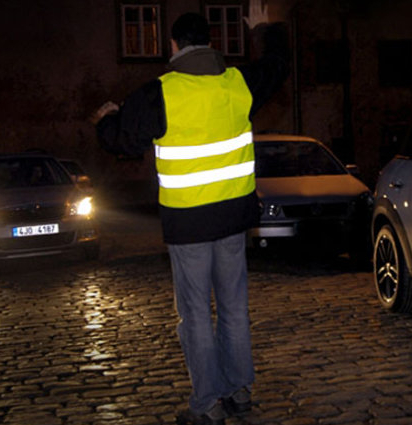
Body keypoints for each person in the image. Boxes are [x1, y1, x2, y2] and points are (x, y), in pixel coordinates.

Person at [91, 5, 289, 424]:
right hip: (233, 219)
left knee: (196, 313)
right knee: (234, 307)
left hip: (189, 224)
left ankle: (208, 405)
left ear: (174, 45)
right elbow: (276, 66)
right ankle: (239, 392)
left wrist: (106, 121)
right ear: (211, 44)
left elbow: (123, 140)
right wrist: (264, 30)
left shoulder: (161, 91)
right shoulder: (238, 83)